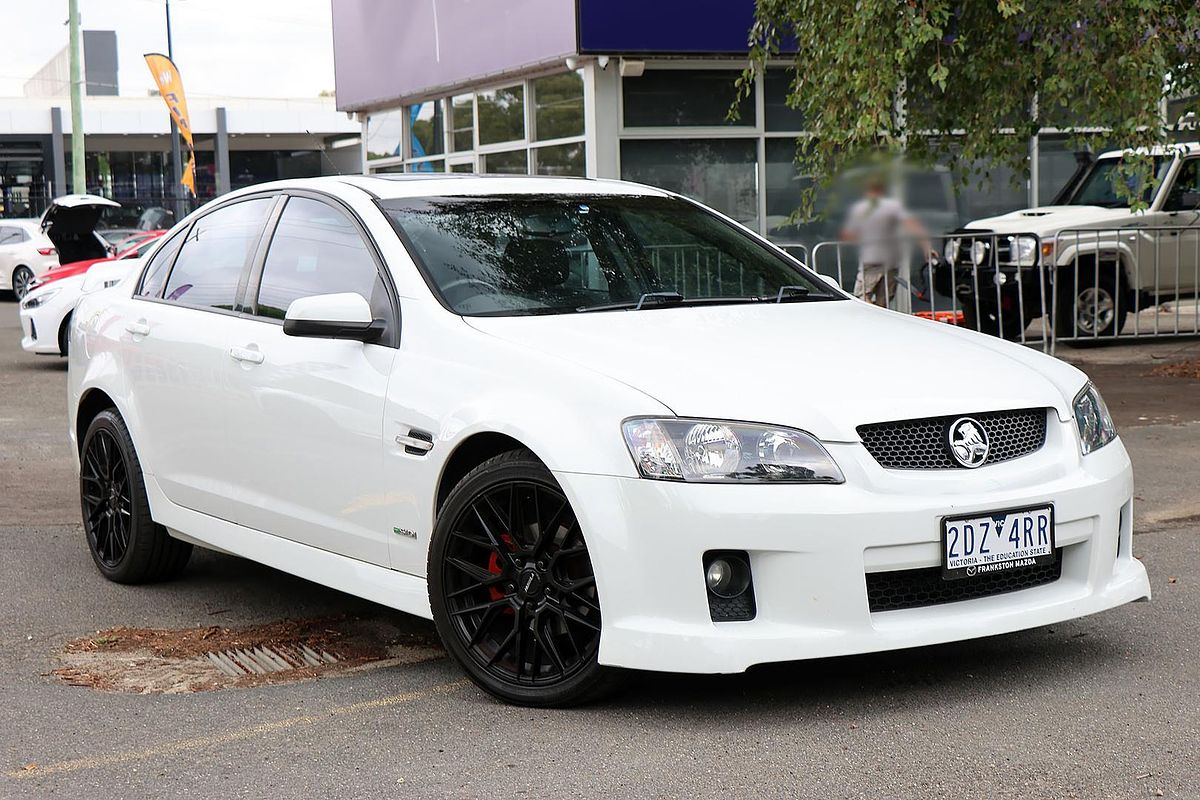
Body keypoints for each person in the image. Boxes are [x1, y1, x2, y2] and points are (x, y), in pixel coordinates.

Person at [840, 175, 935, 308]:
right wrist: (927, 247)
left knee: (861, 296)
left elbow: (848, 235)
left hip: (871, 258)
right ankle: (879, 320)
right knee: (883, 302)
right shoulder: (893, 206)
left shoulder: (861, 208)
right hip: (891, 259)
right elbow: (913, 226)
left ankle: (871, 320)